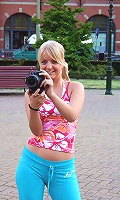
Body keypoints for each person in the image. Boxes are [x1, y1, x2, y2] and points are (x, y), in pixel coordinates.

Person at [15, 40, 85, 200]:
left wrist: (51, 94)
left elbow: (71, 115)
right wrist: (34, 107)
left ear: (62, 63)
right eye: (44, 62)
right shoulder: (31, 94)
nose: (49, 66)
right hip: (31, 164)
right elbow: (36, 131)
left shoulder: (75, 88)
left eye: (54, 61)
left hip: (63, 168)